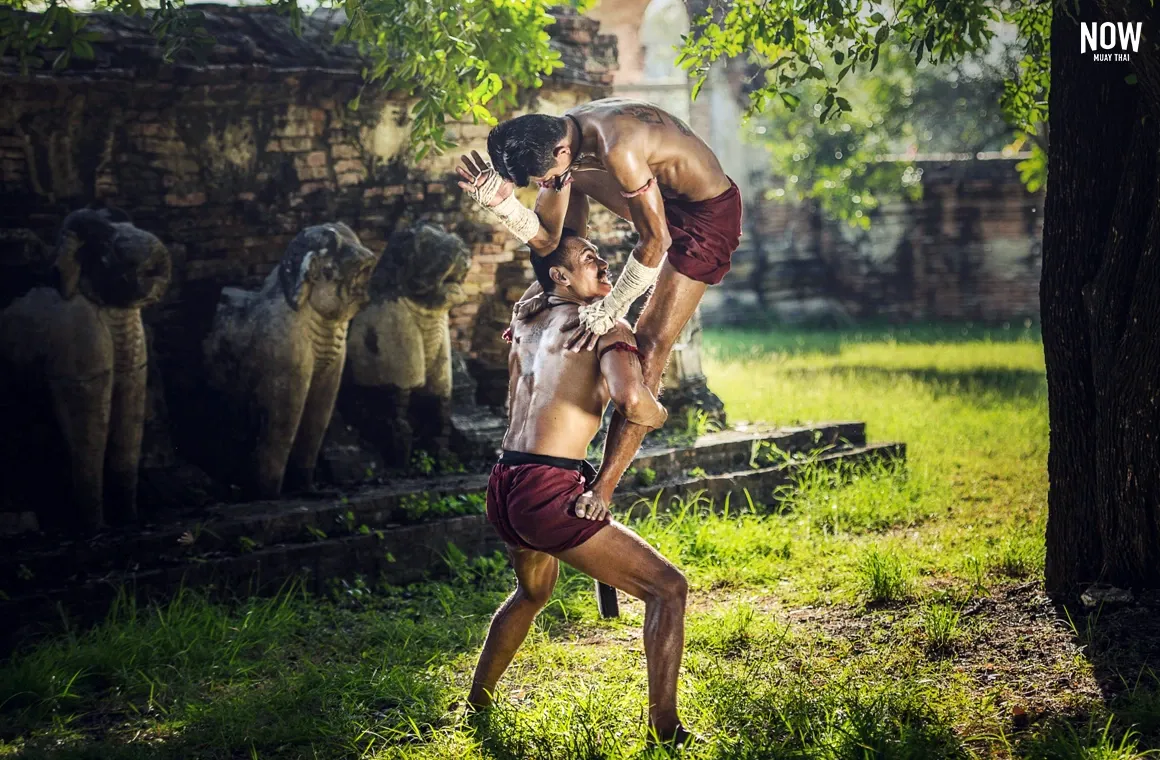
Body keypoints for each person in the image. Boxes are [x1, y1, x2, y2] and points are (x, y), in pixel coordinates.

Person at [458, 96, 743, 531]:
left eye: (549, 177)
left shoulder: (616, 146)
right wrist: (505, 207)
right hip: (659, 199)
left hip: (704, 214)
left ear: (560, 152)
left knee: (647, 342)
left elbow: (656, 243)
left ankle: (603, 488)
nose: (549, 184)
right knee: (565, 243)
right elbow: (553, 240)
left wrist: (611, 307)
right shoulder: (566, 142)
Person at [467, 232, 692, 747]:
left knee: (533, 591)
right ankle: (666, 730)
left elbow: (540, 278)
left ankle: (475, 703)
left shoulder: (527, 318)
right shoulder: (605, 327)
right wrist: (659, 410)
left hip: (504, 484)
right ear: (561, 277)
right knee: (668, 589)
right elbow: (632, 402)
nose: (602, 259)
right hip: (546, 490)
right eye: (588, 256)